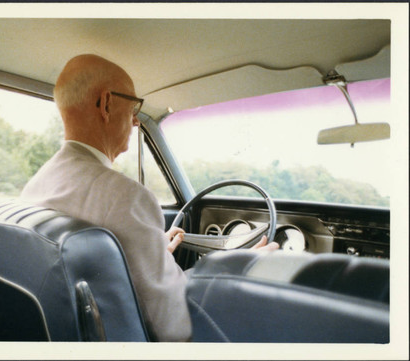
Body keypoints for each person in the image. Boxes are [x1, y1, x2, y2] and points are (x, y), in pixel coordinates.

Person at [21, 54, 278, 342]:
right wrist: (238, 269)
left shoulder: (35, 185)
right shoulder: (124, 197)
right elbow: (175, 325)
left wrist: (150, 253)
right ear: (105, 104)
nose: (135, 122)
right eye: (133, 108)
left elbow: (83, 272)